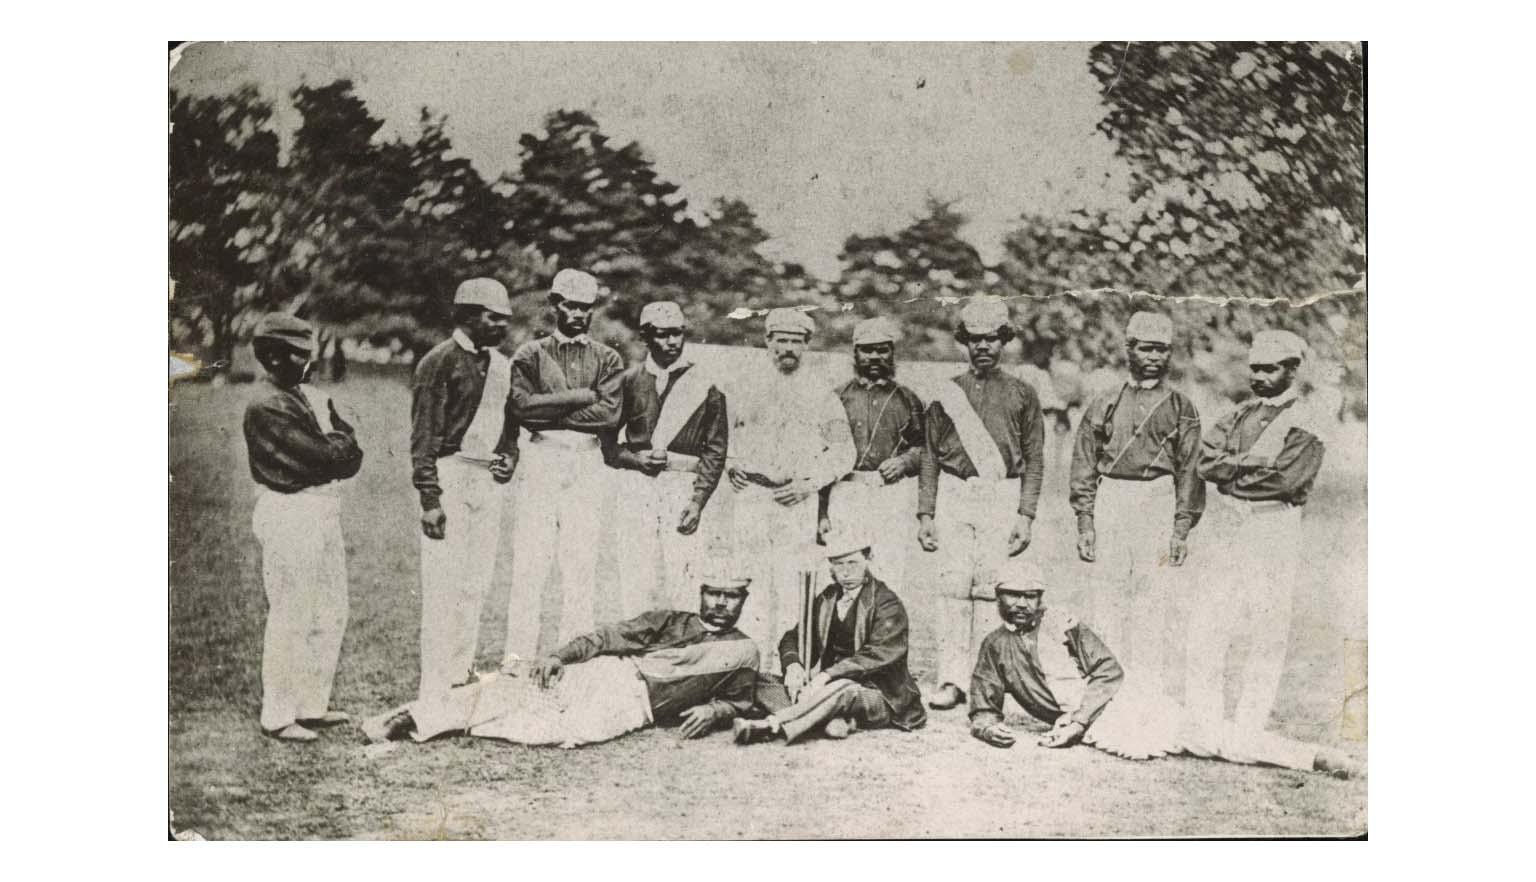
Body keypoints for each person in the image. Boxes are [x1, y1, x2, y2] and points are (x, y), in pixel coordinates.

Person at [967, 561, 1361, 778]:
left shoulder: (1065, 624)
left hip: (1116, 705)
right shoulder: (994, 646)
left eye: (1029, 595)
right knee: (1204, 742)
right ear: (997, 598)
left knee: (1210, 736)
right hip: (1087, 723)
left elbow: (1108, 671)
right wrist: (987, 726)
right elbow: (984, 699)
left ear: (1040, 599)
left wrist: (1078, 721)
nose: (1020, 603)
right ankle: (1311, 758)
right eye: (1011, 595)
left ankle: (1314, 758)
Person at [363, 562, 760, 747]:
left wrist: (715, 711)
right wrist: (560, 656)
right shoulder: (671, 620)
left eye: (731, 596)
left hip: (635, 707)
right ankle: (411, 717)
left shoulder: (743, 651)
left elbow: (741, 698)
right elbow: (608, 637)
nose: (721, 603)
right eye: (714, 593)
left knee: (554, 733)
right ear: (702, 592)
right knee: (523, 687)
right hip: (609, 673)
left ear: (743, 599)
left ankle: (455, 718)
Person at [1186, 329, 1326, 732]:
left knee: (1268, 627)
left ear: (1292, 370)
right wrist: (1247, 463)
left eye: (1271, 369)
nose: (1260, 377)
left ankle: (1248, 725)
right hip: (1231, 526)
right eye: (1255, 370)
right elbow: (1205, 463)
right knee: (1211, 619)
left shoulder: (1307, 420)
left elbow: (1285, 480)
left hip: (1274, 525)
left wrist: (1232, 471)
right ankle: (1203, 723)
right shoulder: (1239, 414)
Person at [917, 295, 1045, 711]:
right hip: (956, 492)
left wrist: (1025, 515)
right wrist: (926, 513)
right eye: (975, 340)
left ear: (1003, 341)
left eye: (992, 339)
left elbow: (1035, 458)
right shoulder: (946, 394)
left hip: (1001, 495)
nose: (983, 347)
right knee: (952, 589)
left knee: (993, 590)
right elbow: (931, 455)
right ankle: (951, 678)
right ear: (965, 342)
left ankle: (987, 679)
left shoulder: (1023, 393)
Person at [242, 312, 364, 742]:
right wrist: (337, 446)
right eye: (298, 356)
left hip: (322, 507)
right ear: (273, 358)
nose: (308, 364)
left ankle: (311, 704)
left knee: (331, 609)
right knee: (292, 610)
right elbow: (324, 457)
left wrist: (338, 447)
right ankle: (278, 714)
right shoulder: (267, 405)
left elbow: (352, 454)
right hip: (290, 508)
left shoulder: (309, 396)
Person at [1068, 311, 1204, 693]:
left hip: (1157, 499)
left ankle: (1145, 690)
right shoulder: (1105, 402)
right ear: (1129, 349)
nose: (1154, 357)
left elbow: (1191, 472)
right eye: (1146, 348)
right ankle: (1106, 686)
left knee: (1152, 596)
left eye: (1162, 350)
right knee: (1107, 594)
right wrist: (1085, 521)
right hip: (1112, 497)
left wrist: (1180, 529)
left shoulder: (1181, 407)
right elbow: (1084, 463)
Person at [502, 269, 625, 673]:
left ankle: (573, 658)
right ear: (556, 306)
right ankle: (517, 658)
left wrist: (552, 409)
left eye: (585, 307)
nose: (577, 314)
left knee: (580, 561)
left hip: (586, 459)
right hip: (542, 456)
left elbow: (609, 414)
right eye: (570, 305)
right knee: (531, 561)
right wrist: (580, 397)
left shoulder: (607, 357)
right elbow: (522, 408)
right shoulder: (530, 354)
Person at [409, 279, 517, 734]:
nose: (501, 326)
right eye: (494, 318)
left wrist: (509, 456)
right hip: (451, 475)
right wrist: (430, 498)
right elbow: (424, 437)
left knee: (476, 583)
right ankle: (433, 687)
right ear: (468, 316)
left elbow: (511, 424)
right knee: (442, 587)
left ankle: (459, 675)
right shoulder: (438, 362)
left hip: (486, 479)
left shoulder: (503, 366)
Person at [725, 308, 854, 664]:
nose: (788, 349)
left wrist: (809, 484)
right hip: (751, 495)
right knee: (748, 579)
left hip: (795, 499)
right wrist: (730, 465)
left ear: (806, 345)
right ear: (768, 341)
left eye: (796, 342)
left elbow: (845, 451)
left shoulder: (821, 394)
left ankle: (788, 668)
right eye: (781, 340)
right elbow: (725, 435)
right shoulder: (746, 386)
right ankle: (749, 665)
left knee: (791, 583)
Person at [732, 529, 926, 744]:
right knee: (758, 680)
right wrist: (793, 666)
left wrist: (826, 677)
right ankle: (824, 718)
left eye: (852, 563)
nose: (845, 573)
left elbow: (877, 654)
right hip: (825, 689)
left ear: (868, 559)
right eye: (838, 564)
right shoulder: (828, 597)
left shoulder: (887, 603)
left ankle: (772, 725)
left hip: (881, 695)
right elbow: (794, 637)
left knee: (842, 688)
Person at [602, 301, 729, 615]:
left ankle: (682, 648)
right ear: (646, 338)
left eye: (677, 334)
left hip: (682, 485)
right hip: (637, 483)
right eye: (663, 335)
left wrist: (699, 499)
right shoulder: (629, 381)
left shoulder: (707, 385)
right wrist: (636, 461)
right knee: (635, 571)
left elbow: (715, 448)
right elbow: (607, 444)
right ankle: (632, 644)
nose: (672, 342)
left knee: (685, 571)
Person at [816, 317, 926, 596]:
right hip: (844, 493)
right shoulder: (835, 397)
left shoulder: (908, 399)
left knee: (889, 568)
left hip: (889, 495)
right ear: (855, 353)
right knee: (843, 567)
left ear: (892, 352)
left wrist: (905, 462)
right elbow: (819, 455)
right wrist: (821, 511)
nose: (875, 356)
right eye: (867, 350)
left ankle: (883, 635)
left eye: (882, 349)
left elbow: (926, 448)